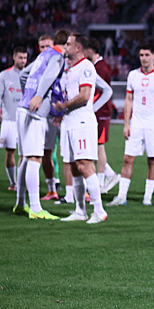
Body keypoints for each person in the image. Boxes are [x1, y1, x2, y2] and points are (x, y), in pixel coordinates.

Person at [52, 33, 108, 224]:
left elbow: (85, 96)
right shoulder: (69, 69)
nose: (64, 47)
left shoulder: (86, 67)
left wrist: (64, 105)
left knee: (85, 165)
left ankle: (99, 211)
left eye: (68, 44)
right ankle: (80, 210)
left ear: (78, 48)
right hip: (69, 122)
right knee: (75, 168)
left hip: (82, 122)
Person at [13, 30, 68, 220]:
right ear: (67, 44)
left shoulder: (42, 55)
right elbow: (49, 77)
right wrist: (38, 96)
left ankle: (20, 203)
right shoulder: (58, 57)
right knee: (35, 158)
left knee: (26, 158)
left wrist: (27, 94)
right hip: (35, 112)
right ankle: (36, 208)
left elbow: (23, 75)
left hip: (22, 108)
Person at [108, 44, 154, 206]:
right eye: (141, 55)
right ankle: (122, 197)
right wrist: (126, 124)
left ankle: (147, 197)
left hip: (153, 124)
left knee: (152, 160)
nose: (144, 58)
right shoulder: (132, 75)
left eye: (147, 55)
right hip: (136, 123)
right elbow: (128, 100)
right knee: (128, 158)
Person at [85, 37, 119, 194]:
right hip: (98, 111)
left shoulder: (101, 68)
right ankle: (110, 174)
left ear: (90, 50)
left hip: (101, 112)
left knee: (99, 145)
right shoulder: (98, 66)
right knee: (93, 145)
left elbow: (99, 92)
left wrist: (87, 105)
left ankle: (100, 181)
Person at [0, 47, 28, 190]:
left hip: (26, 120)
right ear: (13, 57)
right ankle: (13, 182)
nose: (23, 61)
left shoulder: (30, 74)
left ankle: (22, 182)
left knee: (26, 153)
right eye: (20, 57)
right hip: (9, 119)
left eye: (25, 58)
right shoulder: (4, 75)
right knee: (10, 152)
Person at [36, 34, 61, 201]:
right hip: (46, 115)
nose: (45, 50)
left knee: (76, 155)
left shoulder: (61, 62)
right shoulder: (37, 65)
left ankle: (84, 191)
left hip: (65, 115)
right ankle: (52, 189)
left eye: (48, 46)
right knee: (46, 153)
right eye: (42, 47)